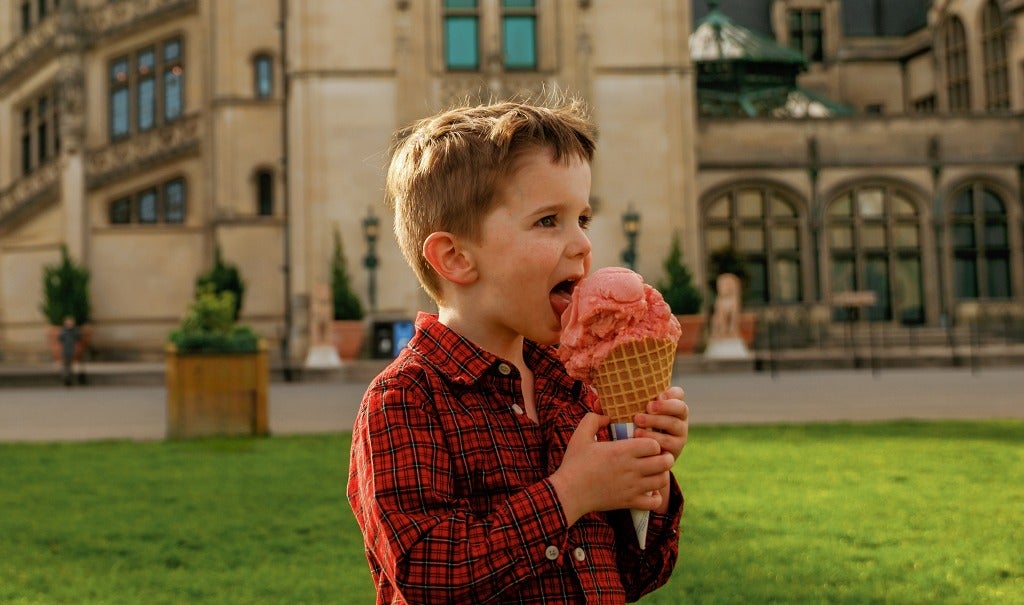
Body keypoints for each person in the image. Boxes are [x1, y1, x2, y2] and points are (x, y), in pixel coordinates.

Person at [347, 98, 690, 604]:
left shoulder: (575, 386)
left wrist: (645, 481)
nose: (581, 245)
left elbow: (636, 573)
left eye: (584, 219)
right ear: (457, 258)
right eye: (549, 221)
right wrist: (569, 495)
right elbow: (426, 574)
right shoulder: (404, 400)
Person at [58, 315, 81, 386]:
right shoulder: (63, 331)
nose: (70, 325)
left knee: (70, 366)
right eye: (68, 323)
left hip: (72, 350)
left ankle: (68, 379)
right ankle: (66, 379)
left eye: (71, 323)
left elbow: (79, 338)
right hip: (65, 350)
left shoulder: (75, 331)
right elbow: (60, 339)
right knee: (65, 365)